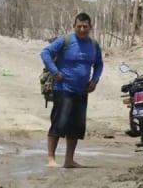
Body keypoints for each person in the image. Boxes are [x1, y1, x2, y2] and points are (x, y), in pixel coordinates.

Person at [40, 12, 104, 168]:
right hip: (63, 89)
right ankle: (51, 159)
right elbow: (45, 53)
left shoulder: (94, 45)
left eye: (85, 27)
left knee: (75, 127)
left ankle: (69, 160)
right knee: (59, 124)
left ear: (90, 27)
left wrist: (95, 80)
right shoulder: (66, 40)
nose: (82, 29)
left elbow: (99, 64)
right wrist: (55, 72)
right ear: (74, 27)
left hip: (82, 91)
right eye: (79, 26)